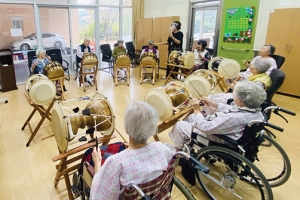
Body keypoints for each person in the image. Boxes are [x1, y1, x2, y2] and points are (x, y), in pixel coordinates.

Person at [90, 101, 174, 199]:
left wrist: (97, 164)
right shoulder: (163, 149)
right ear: (152, 127)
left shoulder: (116, 164)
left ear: (127, 127)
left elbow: (98, 197)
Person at [168, 81, 266, 149]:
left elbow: (206, 127)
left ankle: (179, 149)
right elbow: (230, 109)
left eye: (235, 95)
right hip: (233, 134)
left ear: (240, 100)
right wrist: (211, 103)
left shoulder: (234, 118)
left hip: (219, 139)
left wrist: (197, 110)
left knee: (180, 125)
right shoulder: (255, 111)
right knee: (191, 117)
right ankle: (187, 141)